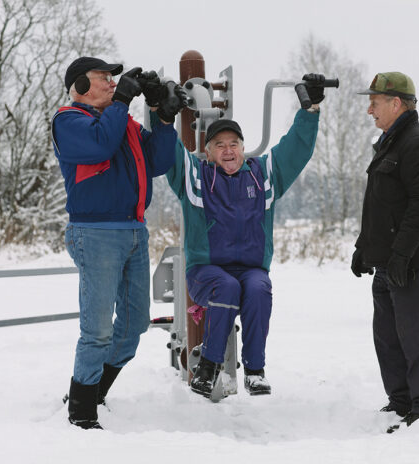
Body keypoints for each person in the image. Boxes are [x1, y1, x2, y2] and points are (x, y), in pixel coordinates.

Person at [165, 74, 327, 399]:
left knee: (257, 287)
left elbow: (294, 150)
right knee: (226, 286)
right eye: (219, 146)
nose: (228, 151)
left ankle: (255, 370)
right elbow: (167, 152)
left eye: (234, 144)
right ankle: (208, 368)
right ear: (208, 152)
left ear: (242, 147)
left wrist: (310, 111)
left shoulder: (263, 175)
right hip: (206, 271)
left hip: (250, 268)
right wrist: (162, 115)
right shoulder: (195, 178)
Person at [51, 56, 186, 429]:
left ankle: (92, 391)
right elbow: (98, 147)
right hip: (94, 234)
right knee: (97, 330)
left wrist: (161, 116)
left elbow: (158, 161)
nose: (113, 83)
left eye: (115, 79)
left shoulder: (120, 123)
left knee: (133, 325)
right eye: (104, 78)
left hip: (133, 231)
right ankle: (81, 412)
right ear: (80, 85)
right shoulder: (69, 121)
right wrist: (125, 100)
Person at [351, 72, 419, 431]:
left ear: (396, 103)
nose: (368, 109)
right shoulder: (390, 143)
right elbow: (379, 205)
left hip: (408, 264)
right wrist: (364, 248)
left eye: (374, 102)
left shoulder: (418, 145)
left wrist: (403, 256)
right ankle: (401, 399)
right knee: (388, 336)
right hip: (386, 263)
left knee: (415, 333)